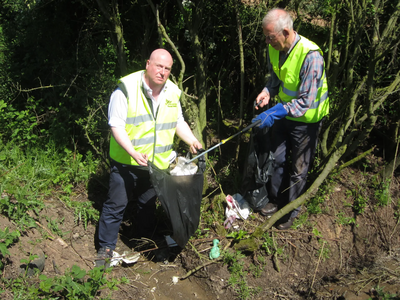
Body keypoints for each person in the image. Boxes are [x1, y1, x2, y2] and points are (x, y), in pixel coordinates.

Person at [96, 49, 202, 266]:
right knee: (116, 204)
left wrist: (191, 140)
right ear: (148, 64)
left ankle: (142, 241)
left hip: (156, 165)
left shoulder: (172, 92)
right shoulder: (125, 89)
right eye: (158, 66)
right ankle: (105, 250)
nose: (162, 72)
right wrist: (132, 152)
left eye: (167, 68)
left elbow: (177, 121)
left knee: (147, 205)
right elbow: (116, 125)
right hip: (127, 163)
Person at [252, 8, 329, 230]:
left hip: (306, 121)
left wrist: (274, 112)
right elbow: (276, 77)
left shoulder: (311, 55)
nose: (267, 41)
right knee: (276, 159)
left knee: (298, 167)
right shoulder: (274, 48)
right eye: (265, 36)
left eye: (270, 37)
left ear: (285, 31)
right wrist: (268, 91)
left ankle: (291, 210)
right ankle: (276, 201)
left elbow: (305, 102)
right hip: (284, 113)